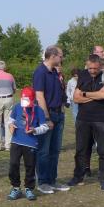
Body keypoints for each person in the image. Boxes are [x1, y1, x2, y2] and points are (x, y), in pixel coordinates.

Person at [68, 54, 104, 191]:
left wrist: (85, 94)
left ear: (100, 66)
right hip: (83, 118)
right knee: (81, 149)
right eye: (90, 68)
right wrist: (96, 95)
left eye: (95, 68)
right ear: (87, 66)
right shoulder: (83, 75)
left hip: (102, 120)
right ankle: (78, 176)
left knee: (103, 150)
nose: (92, 71)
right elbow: (75, 98)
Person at [32, 46, 70, 194]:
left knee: (55, 150)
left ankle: (52, 180)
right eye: (61, 56)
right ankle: (42, 182)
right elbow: (39, 96)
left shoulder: (55, 72)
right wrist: (46, 118)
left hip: (59, 114)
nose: (62, 58)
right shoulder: (40, 72)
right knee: (44, 150)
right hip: (47, 115)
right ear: (53, 56)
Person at [6, 87, 49, 201]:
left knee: (30, 166)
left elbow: (45, 127)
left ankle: (29, 188)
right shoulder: (17, 107)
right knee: (13, 164)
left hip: (31, 143)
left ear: (33, 100)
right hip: (16, 141)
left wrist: (35, 130)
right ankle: (16, 188)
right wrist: (11, 125)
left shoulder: (39, 110)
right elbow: (10, 120)